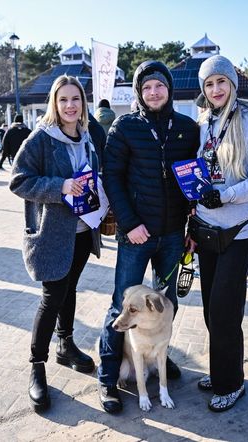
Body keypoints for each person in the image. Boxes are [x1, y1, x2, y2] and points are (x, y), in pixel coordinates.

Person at [97, 60, 199, 414]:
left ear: (168, 89)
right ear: (139, 93)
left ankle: (159, 357)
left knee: (166, 302)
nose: (153, 92)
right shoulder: (125, 127)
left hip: (173, 234)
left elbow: (194, 183)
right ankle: (108, 379)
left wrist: (191, 228)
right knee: (120, 305)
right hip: (136, 235)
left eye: (159, 86)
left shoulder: (187, 128)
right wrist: (129, 223)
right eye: (146, 87)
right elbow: (112, 177)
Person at [192, 55, 248, 412]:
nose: (215, 89)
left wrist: (227, 195)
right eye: (209, 84)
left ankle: (232, 383)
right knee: (210, 310)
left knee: (225, 310)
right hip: (204, 229)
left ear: (232, 84)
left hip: (237, 231)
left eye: (221, 82)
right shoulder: (203, 123)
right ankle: (220, 370)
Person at [10, 75, 103, 412]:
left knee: (69, 288)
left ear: (83, 102)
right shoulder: (41, 139)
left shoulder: (87, 135)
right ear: (54, 103)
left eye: (75, 99)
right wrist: (60, 186)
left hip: (82, 230)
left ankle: (66, 345)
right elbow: (19, 181)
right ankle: (37, 364)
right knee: (52, 297)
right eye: (63, 99)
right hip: (52, 235)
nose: (70, 105)